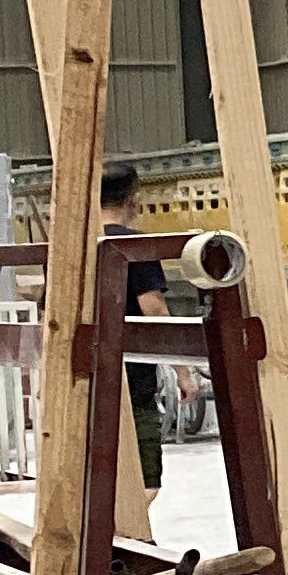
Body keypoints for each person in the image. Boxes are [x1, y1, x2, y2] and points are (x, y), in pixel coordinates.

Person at [100, 158, 167, 495]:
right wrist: (184, 373)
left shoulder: (70, 245)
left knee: (97, 474)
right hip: (134, 375)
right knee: (146, 482)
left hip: (83, 374)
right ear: (132, 198)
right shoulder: (136, 246)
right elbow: (153, 310)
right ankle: (121, 527)